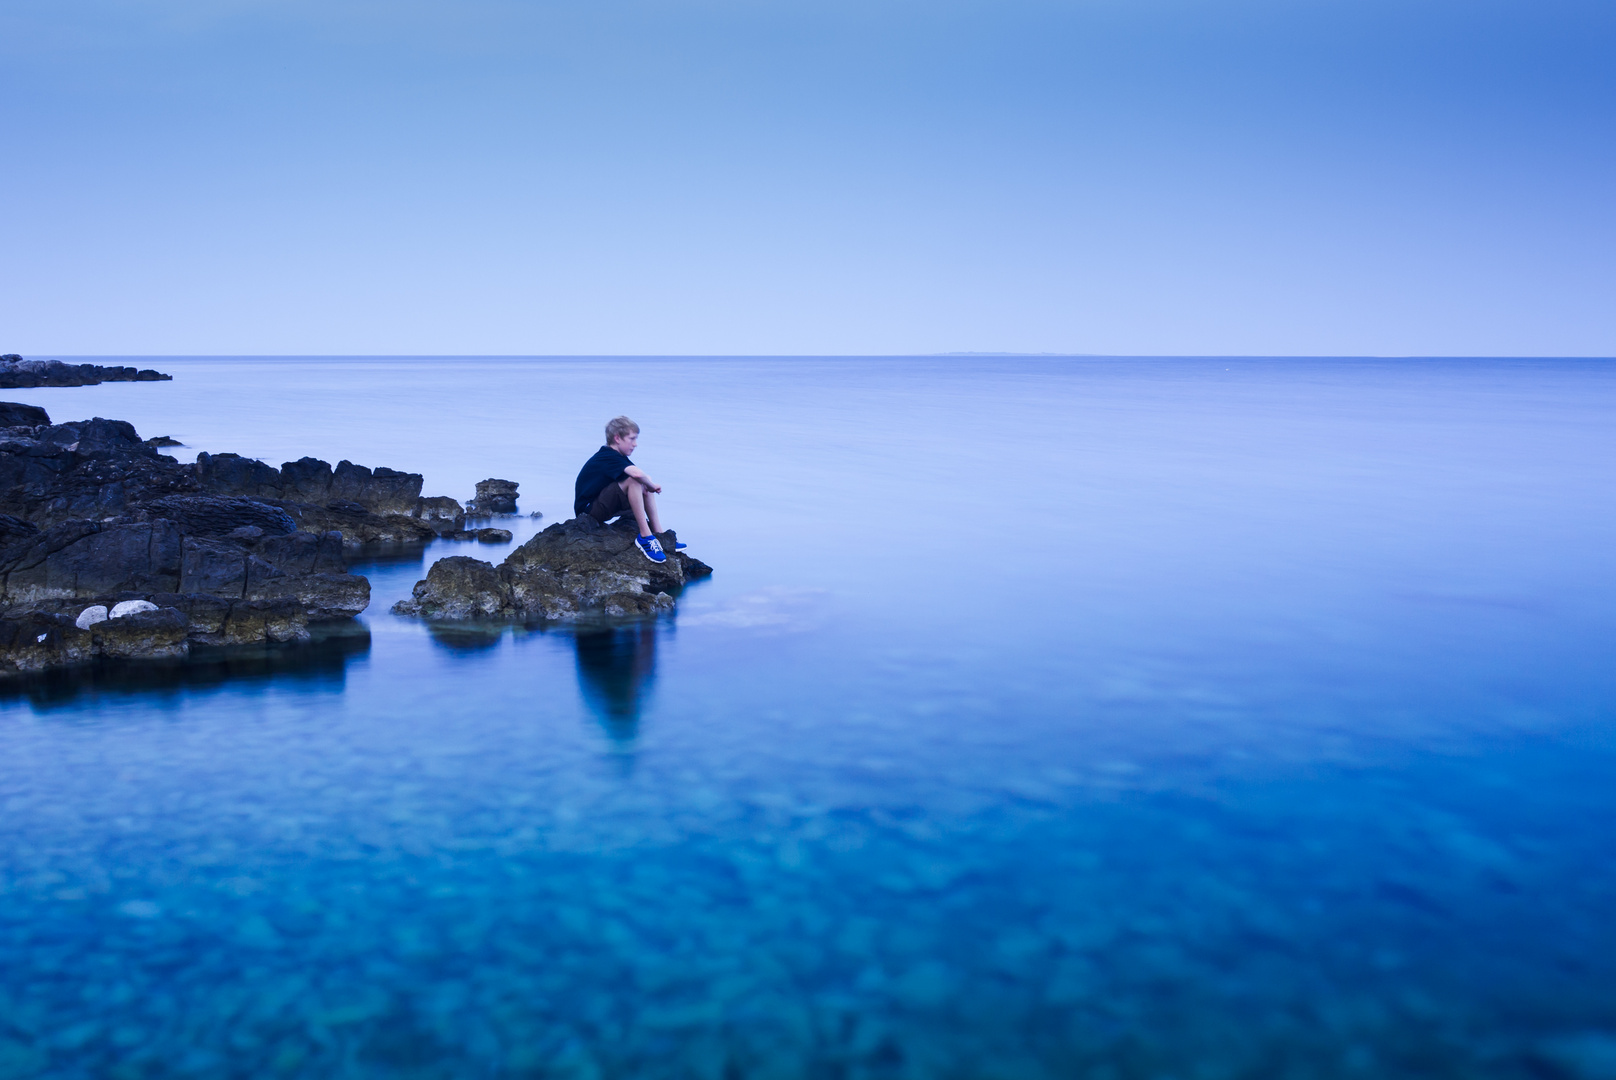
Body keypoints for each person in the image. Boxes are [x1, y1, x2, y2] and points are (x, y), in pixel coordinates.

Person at [573, 415, 686, 564]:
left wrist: (648, 485)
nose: (636, 444)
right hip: (588, 512)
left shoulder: (618, 457)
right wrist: (652, 486)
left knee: (642, 482)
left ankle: (659, 534)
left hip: (603, 505)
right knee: (635, 480)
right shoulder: (607, 456)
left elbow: (641, 476)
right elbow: (636, 474)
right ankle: (645, 537)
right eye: (632, 439)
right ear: (618, 438)